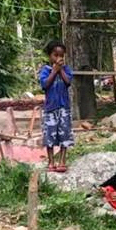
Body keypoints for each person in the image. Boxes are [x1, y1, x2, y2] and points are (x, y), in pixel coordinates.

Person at [38, 40, 74, 172]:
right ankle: (51, 161)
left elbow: (68, 82)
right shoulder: (45, 71)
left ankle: (62, 161)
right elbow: (44, 85)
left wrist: (60, 71)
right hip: (50, 109)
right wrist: (54, 71)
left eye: (61, 56)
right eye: (55, 55)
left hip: (64, 108)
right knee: (49, 136)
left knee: (64, 134)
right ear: (49, 56)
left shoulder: (66, 70)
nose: (58, 58)